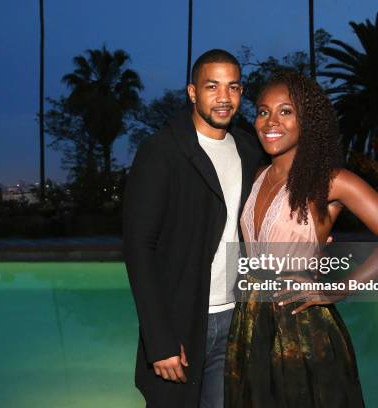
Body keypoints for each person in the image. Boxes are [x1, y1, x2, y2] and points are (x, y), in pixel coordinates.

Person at [224, 70, 378, 407]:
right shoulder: (258, 175)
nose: (272, 121)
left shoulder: (331, 181)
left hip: (300, 328)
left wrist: (340, 287)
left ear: (307, 121)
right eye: (264, 111)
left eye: (286, 111)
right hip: (250, 322)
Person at [123, 49, 264, 407]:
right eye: (212, 86)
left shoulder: (249, 151)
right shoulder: (161, 152)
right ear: (192, 92)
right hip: (181, 322)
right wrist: (159, 339)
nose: (223, 98)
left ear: (241, 92)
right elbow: (139, 248)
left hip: (235, 317)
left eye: (232, 87)